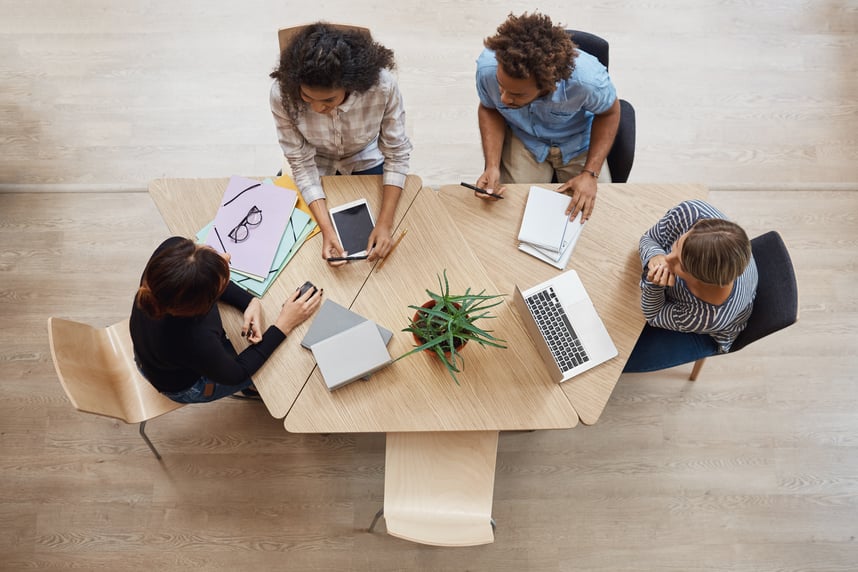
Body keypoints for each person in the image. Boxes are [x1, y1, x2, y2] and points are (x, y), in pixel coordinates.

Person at [269, 22, 412, 266]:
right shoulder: (281, 94)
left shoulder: (383, 86)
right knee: (295, 242)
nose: (316, 108)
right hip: (315, 159)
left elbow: (397, 155)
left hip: (365, 155)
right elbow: (300, 163)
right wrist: (327, 230)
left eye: (328, 99)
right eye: (307, 97)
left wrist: (385, 225)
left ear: (351, 84)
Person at [130, 237, 322, 403]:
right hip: (185, 385)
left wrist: (250, 302)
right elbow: (236, 374)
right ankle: (253, 389)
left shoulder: (168, 257)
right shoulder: (196, 339)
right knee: (283, 362)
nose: (227, 256)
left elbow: (202, 277)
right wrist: (284, 324)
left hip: (154, 356)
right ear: (205, 303)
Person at [474, 12, 620, 222]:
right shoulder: (488, 67)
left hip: (576, 142)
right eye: (501, 86)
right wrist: (492, 166)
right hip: (525, 139)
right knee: (506, 215)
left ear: (547, 85)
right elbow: (489, 108)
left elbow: (610, 113)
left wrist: (590, 174)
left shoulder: (587, 81)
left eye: (517, 94)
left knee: (600, 217)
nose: (504, 99)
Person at [623, 200, 759, 373]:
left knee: (621, 358)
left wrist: (653, 284)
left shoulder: (706, 317)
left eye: (679, 264)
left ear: (701, 280)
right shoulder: (692, 213)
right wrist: (655, 255)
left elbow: (655, 314)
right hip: (699, 300)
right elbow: (650, 238)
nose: (668, 259)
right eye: (677, 244)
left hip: (705, 333)